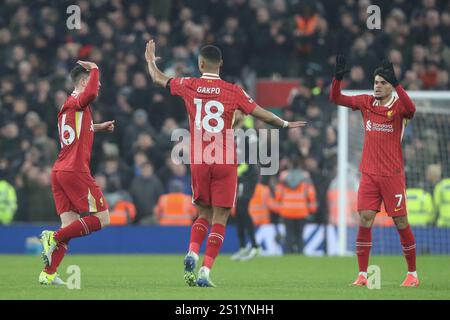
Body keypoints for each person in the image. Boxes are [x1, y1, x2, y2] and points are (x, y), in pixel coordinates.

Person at [145, 40, 306, 287]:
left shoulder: (189, 84)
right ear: (220, 64)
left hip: (199, 158)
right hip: (224, 159)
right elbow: (260, 112)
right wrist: (284, 124)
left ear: (200, 64)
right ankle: (205, 272)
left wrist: (149, 59)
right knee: (220, 218)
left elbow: (158, 79)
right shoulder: (234, 91)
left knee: (202, 214)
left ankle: (191, 253)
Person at [329, 55, 418, 287]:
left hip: (392, 175)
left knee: (401, 222)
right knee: (365, 219)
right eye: (376, 82)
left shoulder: (399, 107)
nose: (377, 86)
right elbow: (336, 98)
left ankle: (412, 274)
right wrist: (337, 78)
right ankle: (362, 275)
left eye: (382, 83)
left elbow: (412, 109)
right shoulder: (365, 102)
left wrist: (398, 83)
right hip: (369, 173)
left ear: (391, 87)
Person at [39, 61, 115, 285]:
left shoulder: (69, 107)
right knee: (103, 219)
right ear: (83, 81)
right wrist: (95, 67)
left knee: (69, 225)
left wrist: (97, 127)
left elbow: (77, 131)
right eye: (94, 80)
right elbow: (90, 93)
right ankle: (52, 236)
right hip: (75, 170)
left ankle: (48, 273)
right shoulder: (79, 100)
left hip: (60, 170)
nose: (98, 85)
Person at [230, 110, 260, 262]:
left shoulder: (249, 132)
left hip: (248, 175)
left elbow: (251, 157)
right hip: (238, 175)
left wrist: (235, 170)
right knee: (238, 211)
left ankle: (254, 246)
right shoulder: (232, 131)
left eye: (236, 113)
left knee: (242, 208)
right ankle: (243, 247)